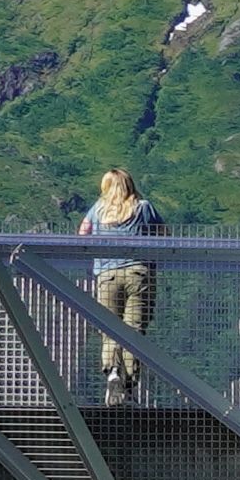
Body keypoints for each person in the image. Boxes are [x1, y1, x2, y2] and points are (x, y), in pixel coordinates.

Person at [79, 163, 166, 401]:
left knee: (110, 329)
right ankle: (128, 386)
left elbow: (83, 232)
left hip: (108, 275)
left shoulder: (98, 210)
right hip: (139, 273)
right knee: (133, 330)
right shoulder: (143, 207)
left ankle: (113, 374)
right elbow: (165, 234)